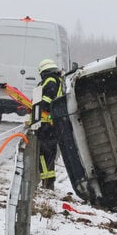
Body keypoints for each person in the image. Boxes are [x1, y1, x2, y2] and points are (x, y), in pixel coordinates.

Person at [35, 58, 65, 190]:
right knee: (48, 154)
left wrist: (37, 107)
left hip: (47, 125)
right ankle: (48, 181)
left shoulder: (50, 81)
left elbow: (46, 101)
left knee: (44, 153)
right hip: (51, 125)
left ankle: (47, 182)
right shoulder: (56, 80)